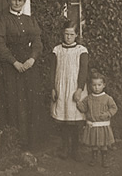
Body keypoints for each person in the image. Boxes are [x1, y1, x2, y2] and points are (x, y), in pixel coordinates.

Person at [0, 0, 43, 149]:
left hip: (29, 65)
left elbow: (37, 42)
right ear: (9, 0)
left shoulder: (30, 20)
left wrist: (32, 59)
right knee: (13, 102)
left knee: (31, 101)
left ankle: (32, 143)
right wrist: (14, 62)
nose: (17, 3)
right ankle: (14, 144)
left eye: (20, 0)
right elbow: (0, 45)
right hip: (11, 66)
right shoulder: (2, 19)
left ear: (24, 2)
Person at [50, 19, 88, 161]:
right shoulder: (57, 50)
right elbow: (52, 70)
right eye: (66, 34)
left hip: (75, 88)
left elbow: (83, 71)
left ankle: (76, 150)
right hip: (61, 87)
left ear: (76, 35)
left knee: (75, 120)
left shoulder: (81, 51)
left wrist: (79, 89)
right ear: (62, 33)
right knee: (64, 119)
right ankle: (65, 148)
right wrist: (53, 88)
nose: (68, 37)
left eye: (71, 34)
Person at [76, 71, 117, 168]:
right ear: (90, 86)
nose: (96, 87)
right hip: (92, 125)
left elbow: (114, 108)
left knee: (103, 144)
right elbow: (84, 109)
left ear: (104, 85)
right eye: (94, 85)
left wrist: (108, 114)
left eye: (99, 85)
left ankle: (104, 159)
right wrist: (78, 103)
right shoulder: (88, 98)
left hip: (103, 125)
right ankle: (94, 157)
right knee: (94, 144)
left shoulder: (107, 98)